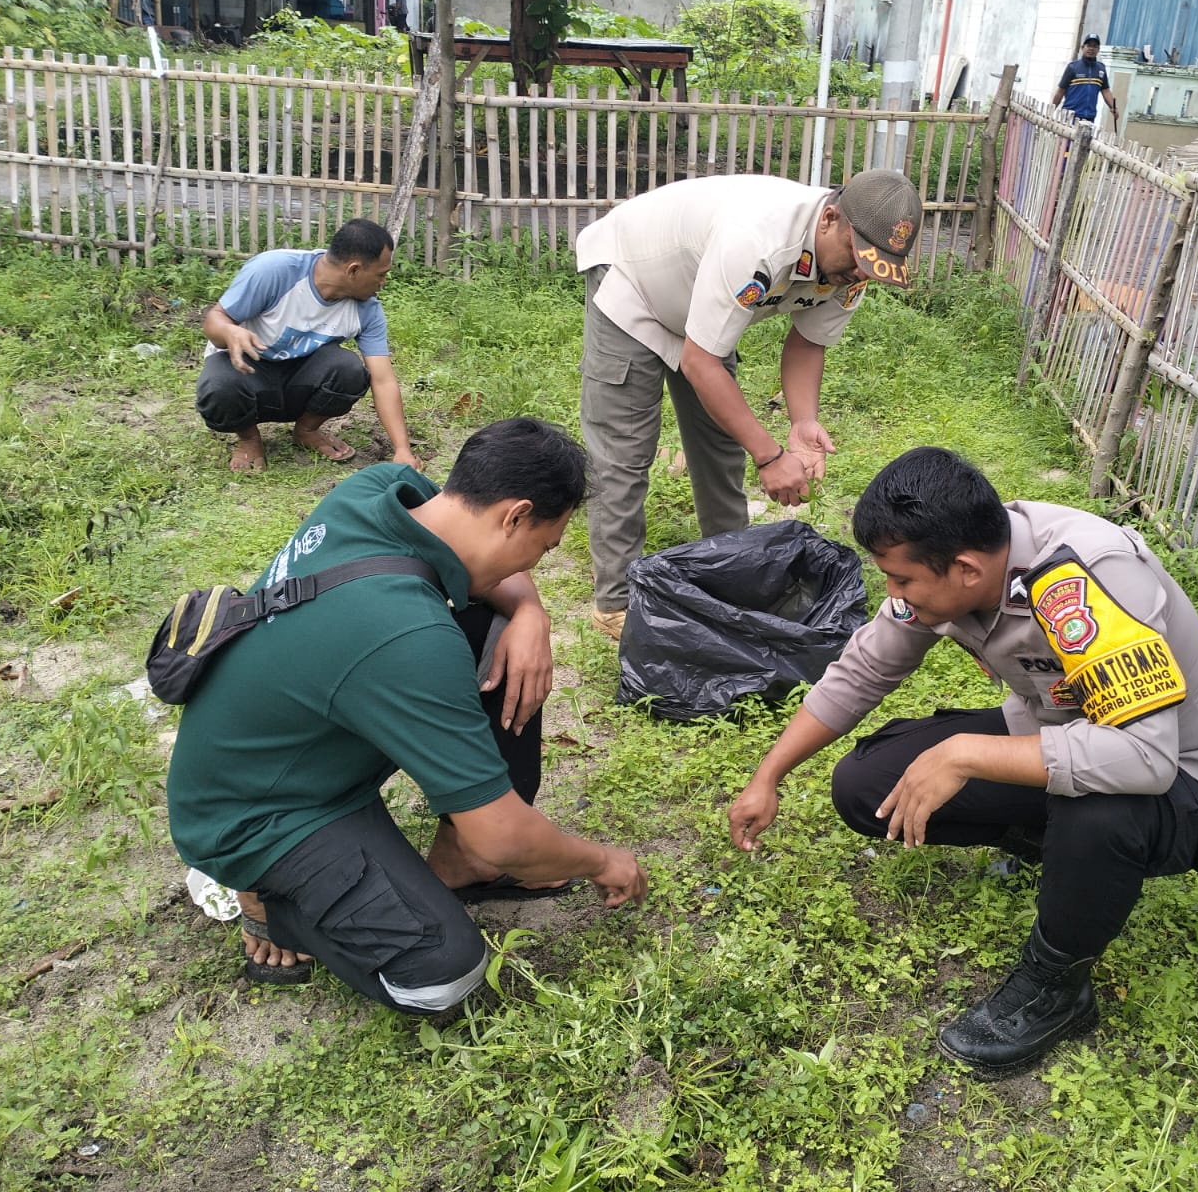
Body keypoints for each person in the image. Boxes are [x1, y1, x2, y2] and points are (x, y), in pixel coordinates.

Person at [727, 447, 1198, 1079]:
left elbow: (1145, 758)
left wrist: (964, 752)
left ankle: (1056, 989)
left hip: (1190, 775)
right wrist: (768, 776)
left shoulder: (1087, 576)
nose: (893, 594)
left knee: (1097, 812)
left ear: (964, 569)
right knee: (866, 784)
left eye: (901, 581)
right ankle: (1059, 853)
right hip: (1064, 732)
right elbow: (864, 669)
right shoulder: (951, 563)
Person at [165, 418, 649, 1014]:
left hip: (294, 743)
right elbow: (503, 835)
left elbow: (495, 574)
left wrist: (530, 613)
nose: (538, 564)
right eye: (544, 547)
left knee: (495, 627)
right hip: (255, 814)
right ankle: (268, 898)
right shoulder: (409, 636)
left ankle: (461, 861)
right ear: (515, 515)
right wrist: (601, 859)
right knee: (443, 977)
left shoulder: (380, 489)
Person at [573, 168, 925, 640]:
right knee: (625, 451)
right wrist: (770, 456)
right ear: (829, 219)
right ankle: (615, 601)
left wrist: (802, 423)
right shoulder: (757, 240)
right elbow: (701, 363)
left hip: (702, 305)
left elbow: (808, 343)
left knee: (720, 445)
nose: (862, 273)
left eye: (875, 266)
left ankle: (730, 572)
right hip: (635, 281)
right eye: (858, 256)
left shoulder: (854, 269)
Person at [196, 218, 420, 472]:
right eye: (381, 274)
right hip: (246, 375)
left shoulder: (367, 310)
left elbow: (383, 380)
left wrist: (402, 449)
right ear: (353, 270)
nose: (384, 282)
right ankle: (248, 439)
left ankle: (307, 430)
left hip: (299, 382)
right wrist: (229, 330)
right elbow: (215, 320)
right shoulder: (275, 271)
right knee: (219, 385)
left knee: (349, 369)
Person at [1051, 35, 1119, 130]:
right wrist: (1052, 110)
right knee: (1066, 139)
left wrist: (1113, 107)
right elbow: (1060, 91)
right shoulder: (1072, 67)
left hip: (1089, 118)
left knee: (1084, 139)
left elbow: (1106, 91)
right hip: (1070, 115)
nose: (1091, 49)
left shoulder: (1101, 69)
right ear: (1082, 47)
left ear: (1098, 50)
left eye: (1095, 46)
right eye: (1088, 45)